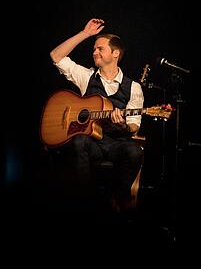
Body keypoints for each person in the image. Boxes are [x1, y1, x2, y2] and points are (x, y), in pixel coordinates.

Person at [49, 18, 144, 211]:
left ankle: (119, 200)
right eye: (94, 48)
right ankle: (83, 202)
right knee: (78, 142)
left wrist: (123, 125)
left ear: (115, 53)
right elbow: (56, 56)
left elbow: (134, 125)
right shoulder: (86, 76)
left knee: (134, 152)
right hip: (93, 143)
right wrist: (85, 34)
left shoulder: (134, 87)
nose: (94, 52)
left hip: (117, 143)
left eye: (100, 48)